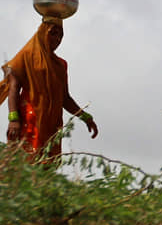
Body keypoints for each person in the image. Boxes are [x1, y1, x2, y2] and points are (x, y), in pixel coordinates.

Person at [2, 18, 98, 157]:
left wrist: (85, 116)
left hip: (52, 124)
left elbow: (65, 98)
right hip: (29, 120)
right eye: (53, 33)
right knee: (25, 161)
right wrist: (14, 119)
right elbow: (14, 89)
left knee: (46, 165)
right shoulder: (26, 55)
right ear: (42, 33)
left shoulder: (61, 65)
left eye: (60, 35)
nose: (57, 39)